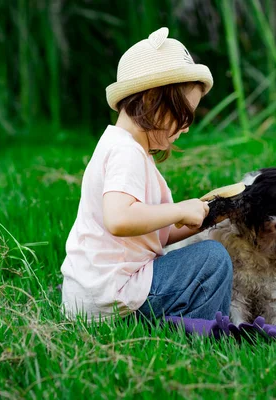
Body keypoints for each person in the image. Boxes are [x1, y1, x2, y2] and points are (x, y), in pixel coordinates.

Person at [60, 27, 233, 322]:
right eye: (185, 115)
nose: (187, 127)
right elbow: (120, 219)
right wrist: (178, 208)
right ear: (153, 99)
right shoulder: (126, 153)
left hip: (96, 295)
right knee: (213, 260)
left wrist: (208, 215)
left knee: (205, 252)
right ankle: (201, 334)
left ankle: (182, 321)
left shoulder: (123, 148)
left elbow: (152, 234)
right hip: (114, 297)